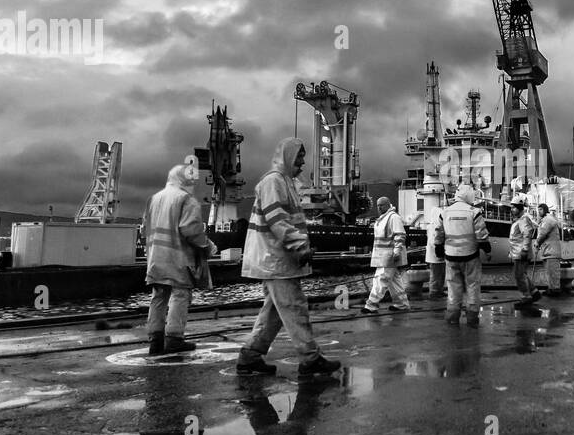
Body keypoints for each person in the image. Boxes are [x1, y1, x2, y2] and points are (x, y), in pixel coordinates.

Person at [235, 137, 341, 381]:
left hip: (277, 257)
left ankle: (250, 355)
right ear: (287, 157)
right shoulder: (274, 182)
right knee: (294, 308)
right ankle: (310, 359)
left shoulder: (285, 182)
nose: (302, 163)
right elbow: (278, 221)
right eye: (299, 157)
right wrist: (299, 245)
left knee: (273, 312)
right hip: (277, 259)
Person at [143, 163, 216, 355]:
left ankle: (155, 340)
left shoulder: (154, 198)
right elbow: (191, 230)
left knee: (158, 295)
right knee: (180, 295)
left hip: (155, 257)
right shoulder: (186, 199)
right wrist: (208, 247)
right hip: (177, 257)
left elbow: (145, 229)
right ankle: (174, 338)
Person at [434, 183, 491, 325]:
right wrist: (487, 249)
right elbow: (481, 234)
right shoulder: (474, 212)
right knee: (472, 286)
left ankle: (453, 317)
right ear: (469, 195)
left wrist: (438, 248)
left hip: (451, 257)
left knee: (453, 288)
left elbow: (439, 233)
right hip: (470, 256)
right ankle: (472, 318)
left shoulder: (445, 212)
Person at [362, 196, 410, 313]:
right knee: (394, 281)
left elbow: (400, 235)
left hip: (389, 257)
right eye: (378, 205)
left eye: (381, 205)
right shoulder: (384, 218)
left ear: (388, 205)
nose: (379, 208)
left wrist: (397, 251)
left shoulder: (393, 218)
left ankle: (371, 305)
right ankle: (401, 304)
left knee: (381, 279)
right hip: (383, 256)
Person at [508, 198, 539, 307]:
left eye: (514, 207)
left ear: (520, 208)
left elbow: (527, 235)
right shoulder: (519, 220)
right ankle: (534, 292)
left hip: (521, 253)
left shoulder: (523, 220)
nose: (512, 209)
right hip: (518, 252)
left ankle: (526, 297)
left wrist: (525, 249)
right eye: (512, 207)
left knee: (519, 275)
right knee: (522, 274)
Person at [535, 202, 563, 296]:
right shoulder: (545, 220)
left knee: (553, 272)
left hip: (551, 251)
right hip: (548, 251)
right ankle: (551, 288)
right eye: (538, 209)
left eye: (541, 209)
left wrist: (537, 243)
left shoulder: (548, 220)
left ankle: (555, 290)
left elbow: (543, 233)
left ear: (545, 210)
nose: (539, 211)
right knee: (549, 272)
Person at [425, 204, 446, 300]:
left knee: (439, 274)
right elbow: (435, 241)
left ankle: (438, 291)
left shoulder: (430, 226)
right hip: (436, 255)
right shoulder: (435, 227)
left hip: (433, 254)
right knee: (436, 275)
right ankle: (434, 292)